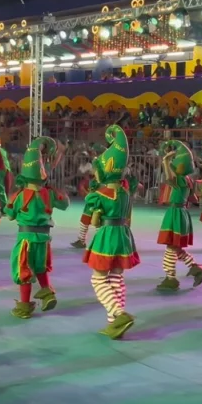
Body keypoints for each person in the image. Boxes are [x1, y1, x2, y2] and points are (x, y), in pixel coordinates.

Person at [82, 125, 141, 339]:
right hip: (123, 235)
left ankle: (119, 313)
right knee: (116, 277)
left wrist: (97, 210)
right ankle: (114, 325)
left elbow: (95, 220)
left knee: (98, 279)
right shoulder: (125, 192)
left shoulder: (99, 194)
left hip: (107, 234)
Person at [5, 136, 69, 319]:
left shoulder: (20, 196)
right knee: (40, 267)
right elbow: (65, 204)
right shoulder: (48, 194)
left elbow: (9, 215)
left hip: (26, 239)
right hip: (44, 239)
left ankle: (24, 306)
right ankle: (48, 293)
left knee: (23, 270)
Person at [155, 140, 202, 292]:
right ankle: (195, 268)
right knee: (175, 247)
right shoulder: (187, 180)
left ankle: (171, 277)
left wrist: (165, 160)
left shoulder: (180, 180)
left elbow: (169, 178)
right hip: (181, 213)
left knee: (171, 247)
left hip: (176, 213)